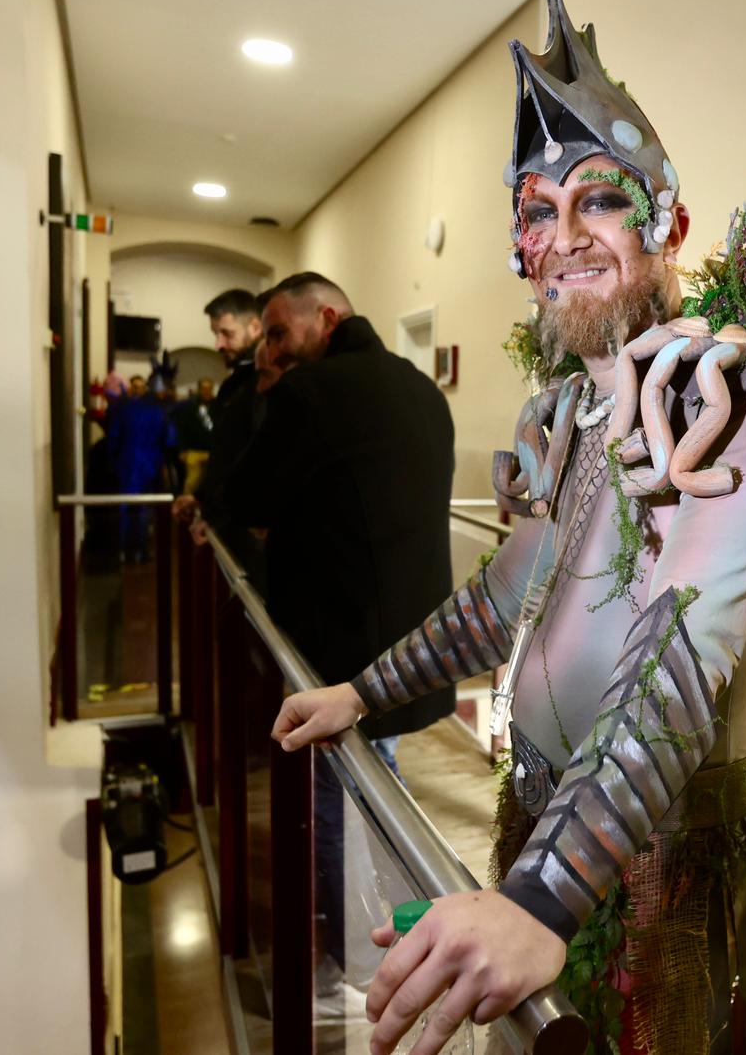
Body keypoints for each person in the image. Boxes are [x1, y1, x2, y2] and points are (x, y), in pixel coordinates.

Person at [267, 0, 746, 1051]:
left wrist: (539, 898)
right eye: (535, 210)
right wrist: (363, 689)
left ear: (667, 224)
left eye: (597, 201)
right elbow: (503, 598)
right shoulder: (569, 408)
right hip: (543, 822)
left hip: (678, 863)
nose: (562, 235)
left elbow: (675, 655)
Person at [228, 271, 459, 1013]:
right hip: (410, 650)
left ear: (324, 318)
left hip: (336, 654)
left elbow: (247, 500)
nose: (269, 349)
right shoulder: (421, 389)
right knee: (380, 802)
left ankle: (346, 969)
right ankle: (393, 949)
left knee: (333, 811)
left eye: (275, 332)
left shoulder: (309, 394)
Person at [172, 289, 264, 571]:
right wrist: (202, 497)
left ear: (255, 326)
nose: (219, 343)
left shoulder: (265, 380)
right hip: (230, 522)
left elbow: (253, 456)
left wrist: (213, 509)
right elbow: (227, 452)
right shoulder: (237, 381)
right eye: (216, 334)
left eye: (226, 333)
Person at [104, 374, 174, 562]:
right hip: (150, 464)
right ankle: (141, 550)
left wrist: (113, 461)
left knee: (125, 507)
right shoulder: (157, 411)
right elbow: (169, 439)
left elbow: (113, 438)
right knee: (144, 508)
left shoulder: (121, 410)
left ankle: (123, 550)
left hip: (127, 464)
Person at [171, 377, 215, 495]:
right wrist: (182, 449)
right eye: (204, 389)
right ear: (199, 390)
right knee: (192, 483)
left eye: (209, 389)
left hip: (212, 451)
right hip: (193, 451)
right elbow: (182, 429)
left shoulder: (218, 406)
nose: (206, 391)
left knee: (210, 483)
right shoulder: (190, 407)